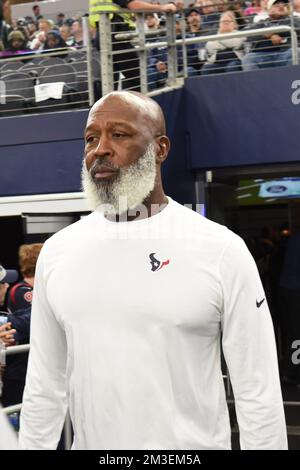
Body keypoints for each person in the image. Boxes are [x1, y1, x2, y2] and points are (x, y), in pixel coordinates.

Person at [19, 91, 287, 450]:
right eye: (90, 138)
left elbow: (257, 387)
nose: (99, 149)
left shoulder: (220, 249)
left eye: (119, 134)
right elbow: (44, 385)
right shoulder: (58, 252)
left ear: (160, 149)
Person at [90, 0, 176, 91]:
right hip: (115, 38)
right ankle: (136, 103)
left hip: (104, 36)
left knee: (109, 83)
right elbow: (134, 5)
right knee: (139, 77)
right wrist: (162, 7)